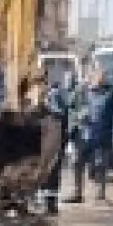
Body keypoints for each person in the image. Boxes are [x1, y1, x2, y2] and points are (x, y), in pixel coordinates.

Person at [63, 66, 113, 204]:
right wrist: (77, 117)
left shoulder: (111, 93)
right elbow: (70, 108)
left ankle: (99, 195)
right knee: (76, 162)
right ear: (91, 77)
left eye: (102, 77)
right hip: (82, 133)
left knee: (100, 164)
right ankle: (77, 193)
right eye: (97, 76)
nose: (100, 79)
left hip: (102, 134)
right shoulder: (80, 91)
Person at [38, 70, 75, 215]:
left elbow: (61, 115)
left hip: (54, 139)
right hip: (53, 138)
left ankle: (49, 203)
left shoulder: (53, 96)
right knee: (50, 170)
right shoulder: (54, 95)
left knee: (50, 170)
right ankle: (48, 202)